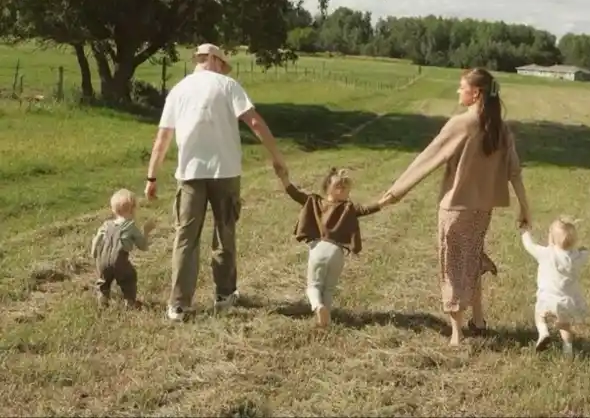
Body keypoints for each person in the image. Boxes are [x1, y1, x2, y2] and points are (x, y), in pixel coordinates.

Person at [382, 67, 531, 346]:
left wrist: (395, 192)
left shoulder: (461, 123)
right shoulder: (500, 127)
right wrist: (525, 208)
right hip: (482, 210)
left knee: (452, 265)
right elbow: (514, 172)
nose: (457, 91)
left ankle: (456, 333)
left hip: (455, 209)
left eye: (461, 86)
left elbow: (428, 158)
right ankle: (479, 320)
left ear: (476, 93)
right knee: (471, 257)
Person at [145, 43, 288, 322]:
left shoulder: (178, 90)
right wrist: (277, 156)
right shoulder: (228, 85)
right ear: (213, 59)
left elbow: (162, 138)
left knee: (185, 238)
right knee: (224, 233)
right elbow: (255, 122)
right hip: (226, 172)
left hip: (189, 174)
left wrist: (152, 176)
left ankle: (178, 305)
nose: (223, 69)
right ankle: (224, 296)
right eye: (222, 63)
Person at [278, 165, 390, 327]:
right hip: (337, 253)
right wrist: (383, 202)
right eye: (342, 187)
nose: (344, 191)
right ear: (331, 188)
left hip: (318, 249)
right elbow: (366, 209)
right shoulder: (348, 207)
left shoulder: (314, 201)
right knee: (329, 288)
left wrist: (284, 179)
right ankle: (326, 315)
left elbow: (295, 194)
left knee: (313, 286)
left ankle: (318, 306)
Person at [521, 217, 589, 357]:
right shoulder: (576, 257)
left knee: (539, 315)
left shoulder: (546, 254)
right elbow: (585, 253)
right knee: (564, 325)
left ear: (551, 238)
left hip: (548, 299)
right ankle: (568, 349)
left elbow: (529, 245)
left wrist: (525, 231)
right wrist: (583, 251)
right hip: (568, 302)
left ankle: (543, 332)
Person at [91, 188, 155, 309]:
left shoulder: (106, 225)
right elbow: (143, 247)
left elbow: (96, 240)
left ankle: (102, 301)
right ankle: (130, 302)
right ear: (133, 209)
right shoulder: (130, 227)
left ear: (113, 209)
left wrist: (94, 254)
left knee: (103, 281)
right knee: (129, 278)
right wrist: (146, 232)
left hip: (102, 261)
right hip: (119, 261)